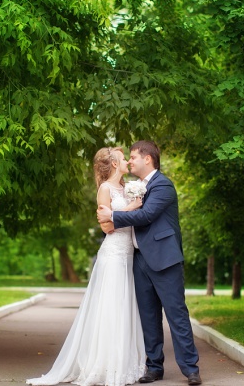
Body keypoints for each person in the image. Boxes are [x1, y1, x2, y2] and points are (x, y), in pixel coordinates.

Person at [27, 147, 146, 386]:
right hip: (113, 254)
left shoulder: (129, 188)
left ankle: (125, 363)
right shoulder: (105, 189)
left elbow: (123, 218)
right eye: (124, 159)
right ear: (114, 164)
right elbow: (107, 228)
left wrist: (121, 210)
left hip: (129, 255)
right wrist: (132, 208)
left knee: (125, 307)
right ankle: (105, 365)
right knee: (110, 308)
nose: (127, 162)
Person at [97, 141, 202, 385]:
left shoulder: (163, 184)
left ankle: (191, 369)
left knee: (176, 315)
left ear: (148, 159)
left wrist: (112, 215)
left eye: (133, 157)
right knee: (148, 317)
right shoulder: (135, 187)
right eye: (129, 158)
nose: (130, 161)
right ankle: (154, 367)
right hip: (138, 258)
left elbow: (146, 215)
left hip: (165, 259)